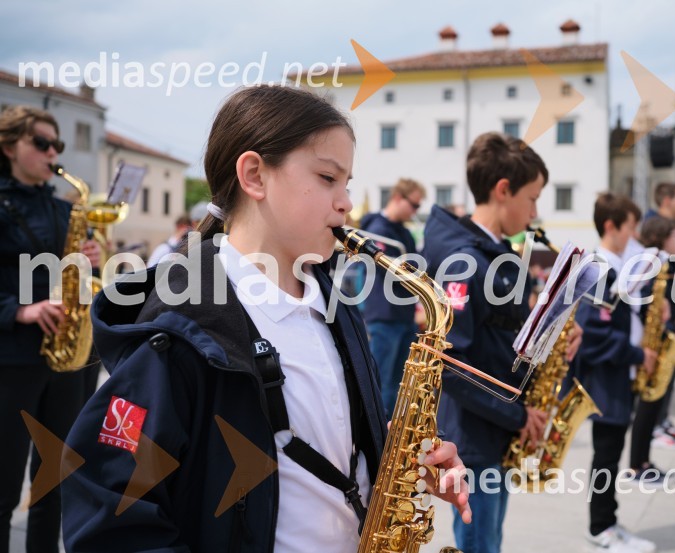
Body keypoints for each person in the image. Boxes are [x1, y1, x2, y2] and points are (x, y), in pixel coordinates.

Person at [60, 85, 470, 553]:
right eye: (327, 178)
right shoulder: (177, 328)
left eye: (347, 184)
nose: (346, 204)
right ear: (254, 174)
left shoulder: (335, 308)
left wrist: (408, 463)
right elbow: (109, 519)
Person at [422, 132, 579, 553]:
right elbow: (448, 366)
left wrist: (552, 336)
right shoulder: (466, 262)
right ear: (503, 190)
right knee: (480, 544)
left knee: (490, 540)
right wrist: (516, 415)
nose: (535, 211)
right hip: (475, 435)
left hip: (493, 429)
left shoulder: (494, 255)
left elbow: (501, 336)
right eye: (532, 198)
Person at [0, 105, 100, 553]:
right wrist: (19, 310)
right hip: (12, 357)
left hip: (64, 358)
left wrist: (92, 260)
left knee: (54, 483)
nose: (52, 152)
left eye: (56, 145)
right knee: (3, 487)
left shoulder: (65, 209)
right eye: (40, 143)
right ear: (8, 146)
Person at [574, 193, 657, 553]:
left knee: (611, 451)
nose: (633, 235)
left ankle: (607, 519)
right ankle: (600, 527)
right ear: (611, 226)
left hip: (616, 374)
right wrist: (638, 353)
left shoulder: (614, 267)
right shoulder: (599, 269)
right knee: (606, 454)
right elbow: (594, 336)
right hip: (605, 377)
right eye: (629, 227)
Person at [359, 178, 424, 416]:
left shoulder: (403, 233)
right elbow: (389, 270)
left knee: (398, 382)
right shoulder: (378, 230)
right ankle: (380, 427)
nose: (416, 211)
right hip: (384, 316)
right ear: (398, 198)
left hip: (402, 314)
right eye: (414, 205)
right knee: (382, 381)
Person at [628, 215, 675, 486]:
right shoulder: (649, 265)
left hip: (656, 342)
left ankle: (643, 461)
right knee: (647, 408)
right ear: (661, 237)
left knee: (652, 407)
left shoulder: (661, 265)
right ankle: (637, 465)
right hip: (648, 346)